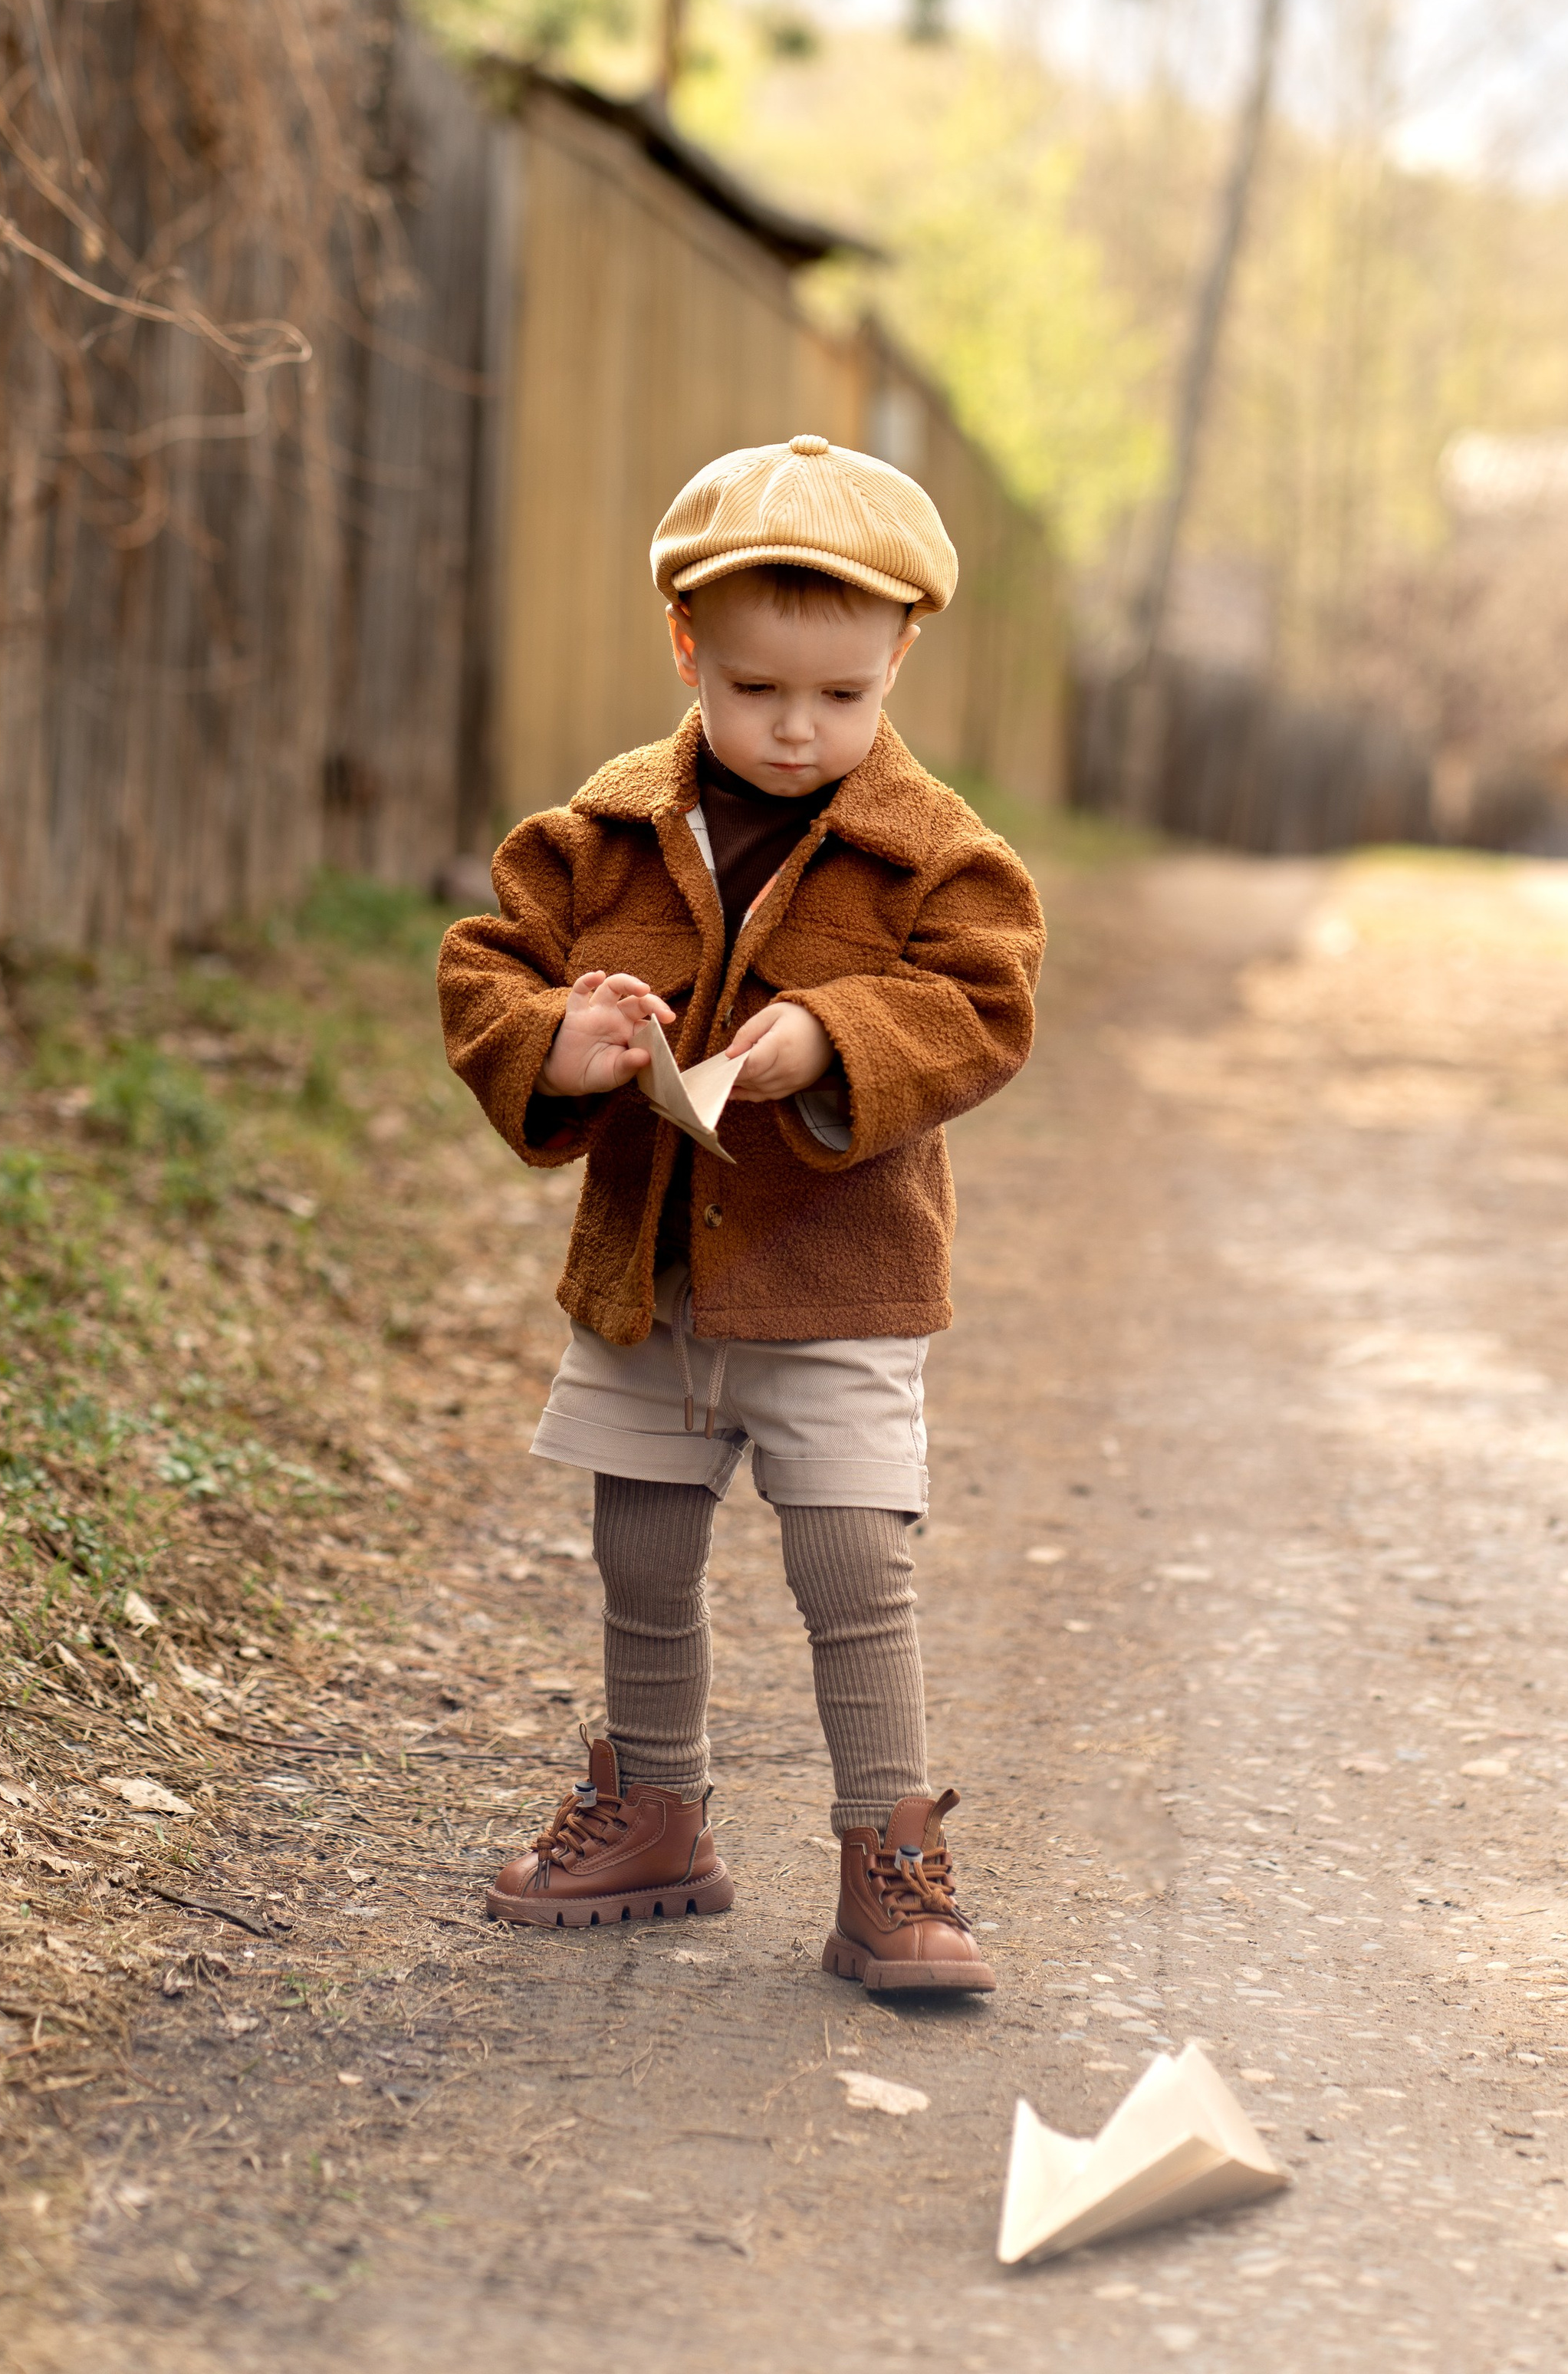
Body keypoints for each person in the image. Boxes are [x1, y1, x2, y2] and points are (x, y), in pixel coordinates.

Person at [437, 432, 1044, 1989]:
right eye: (757, 691)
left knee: (853, 1569)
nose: (795, 730)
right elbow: (487, 963)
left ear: (900, 657)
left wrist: (836, 1035)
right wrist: (556, 1039)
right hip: (650, 1281)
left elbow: (980, 1003)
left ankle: (889, 1867)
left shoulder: (936, 851)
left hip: (835, 1277)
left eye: (841, 698)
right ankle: (655, 1810)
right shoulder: (606, 829)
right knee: (638, 1551)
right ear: (685, 647)